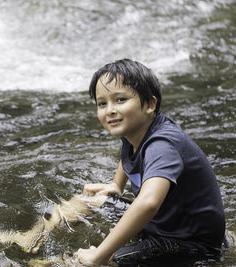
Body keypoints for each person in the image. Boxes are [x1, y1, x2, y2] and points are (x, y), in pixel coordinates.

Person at [75, 59, 226, 266]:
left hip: (187, 243)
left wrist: (99, 255)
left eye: (120, 100)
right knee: (86, 199)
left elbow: (148, 203)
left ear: (149, 104)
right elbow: (128, 151)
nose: (110, 110)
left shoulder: (163, 144)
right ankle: (27, 239)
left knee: (82, 263)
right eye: (102, 103)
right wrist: (116, 185)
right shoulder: (134, 130)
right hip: (159, 225)